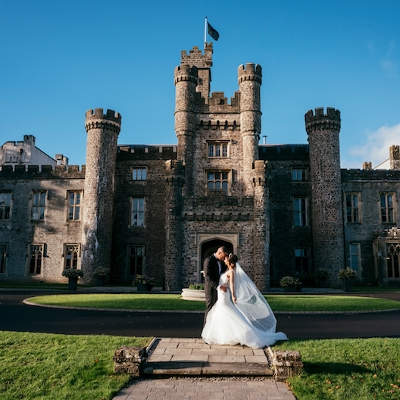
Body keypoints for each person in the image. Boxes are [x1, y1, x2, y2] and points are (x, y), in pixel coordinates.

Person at [202, 254, 287, 348]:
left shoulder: (231, 272)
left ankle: (243, 332)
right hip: (221, 294)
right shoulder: (225, 270)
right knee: (221, 314)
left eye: (226, 259)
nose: (224, 260)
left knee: (225, 313)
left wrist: (233, 295)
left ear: (230, 262)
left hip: (224, 295)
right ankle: (224, 335)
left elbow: (231, 285)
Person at [203, 246, 229, 325]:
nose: (224, 258)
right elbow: (208, 277)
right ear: (219, 253)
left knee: (217, 310)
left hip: (220, 291)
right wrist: (218, 287)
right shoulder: (209, 260)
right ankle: (206, 329)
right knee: (210, 308)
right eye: (223, 256)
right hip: (211, 289)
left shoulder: (221, 262)